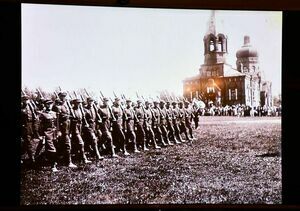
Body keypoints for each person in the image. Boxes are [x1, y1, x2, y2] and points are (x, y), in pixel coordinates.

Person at [52, 92, 77, 168]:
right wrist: (58, 130)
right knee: (67, 144)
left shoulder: (66, 105)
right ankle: (69, 162)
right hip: (62, 129)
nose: (63, 98)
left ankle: (59, 160)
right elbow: (56, 120)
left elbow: (68, 116)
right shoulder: (57, 106)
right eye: (62, 96)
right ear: (59, 97)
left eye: (64, 96)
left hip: (68, 127)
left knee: (63, 144)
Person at [39, 99, 59, 172]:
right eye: (48, 104)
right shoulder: (42, 114)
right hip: (47, 134)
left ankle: (39, 160)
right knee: (52, 149)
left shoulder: (54, 113)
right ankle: (53, 166)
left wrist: (58, 132)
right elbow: (40, 126)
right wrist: (42, 136)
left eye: (51, 104)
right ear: (45, 105)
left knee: (51, 148)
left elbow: (57, 124)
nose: (49, 105)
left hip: (54, 133)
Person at [70, 98, 92, 164]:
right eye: (77, 103)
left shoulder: (80, 109)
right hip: (74, 127)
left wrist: (86, 124)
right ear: (74, 104)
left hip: (80, 127)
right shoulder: (71, 110)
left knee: (77, 143)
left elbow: (83, 118)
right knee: (81, 143)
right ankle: (84, 158)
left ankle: (77, 157)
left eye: (79, 103)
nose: (79, 104)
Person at [21, 94, 41, 165]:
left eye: (27, 100)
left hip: (32, 126)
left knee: (27, 142)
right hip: (25, 127)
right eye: (24, 100)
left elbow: (36, 113)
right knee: (28, 142)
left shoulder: (31, 107)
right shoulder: (21, 107)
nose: (26, 101)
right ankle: (32, 159)